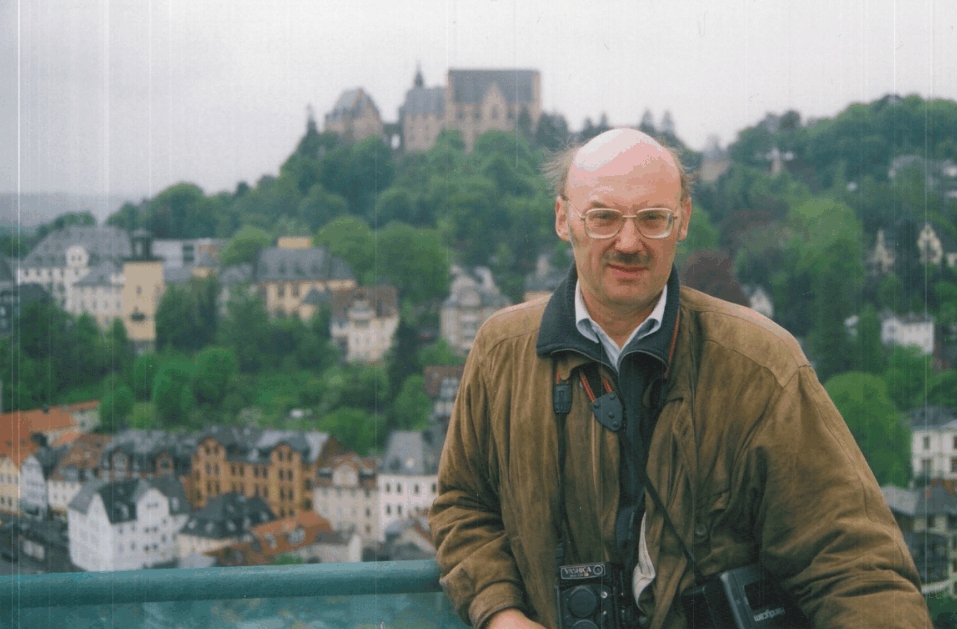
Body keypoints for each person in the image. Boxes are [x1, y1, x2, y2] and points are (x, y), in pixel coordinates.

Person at [429, 128, 930, 629]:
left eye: (653, 218)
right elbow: (462, 507)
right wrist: (501, 613)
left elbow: (856, 566)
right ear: (564, 219)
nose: (629, 242)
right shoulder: (502, 353)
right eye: (603, 217)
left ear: (683, 220)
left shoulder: (761, 365)